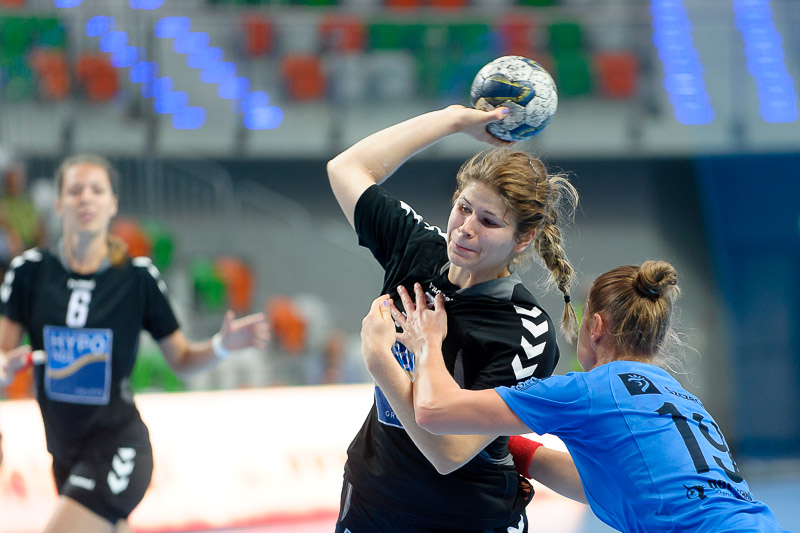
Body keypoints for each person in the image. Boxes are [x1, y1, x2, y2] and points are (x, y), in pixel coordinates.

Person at [361, 263, 789, 532]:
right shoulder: (684, 400)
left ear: (595, 327)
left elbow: (435, 410)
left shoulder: (587, 391)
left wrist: (407, 348)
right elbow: (605, 486)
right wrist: (503, 449)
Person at [327, 104, 579, 532]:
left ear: (523, 239)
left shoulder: (523, 330)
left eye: (489, 221)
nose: (465, 228)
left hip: (462, 517)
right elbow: (346, 168)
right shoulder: (418, 249)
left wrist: (379, 359)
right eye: (463, 207)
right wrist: (454, 122)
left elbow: (449, 453)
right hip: (369, 501)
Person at [0, 154, 270, 533]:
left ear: (113, 203)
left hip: (118, 446)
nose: (86, 198)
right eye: (75, 190)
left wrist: (222, 345)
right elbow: (3, 349)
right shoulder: (29, 272)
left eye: (97, 190)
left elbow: (181, 359)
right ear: (59, 203)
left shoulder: (137, 278)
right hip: (63, 453)